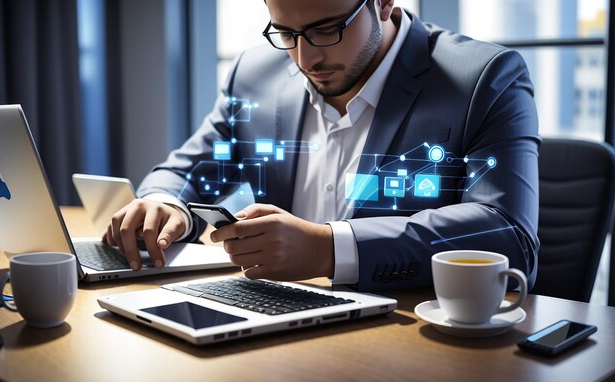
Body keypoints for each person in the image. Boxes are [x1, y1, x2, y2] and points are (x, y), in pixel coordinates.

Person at [105, 0, 540, 292]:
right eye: (286, 33)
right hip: (276, 331)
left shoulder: (484, 78)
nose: (304, 59)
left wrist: (329, 247)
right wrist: (164, 202)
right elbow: (190, 167)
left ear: (384, 2)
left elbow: (509, 233)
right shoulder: (255, 74)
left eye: (327, 30)